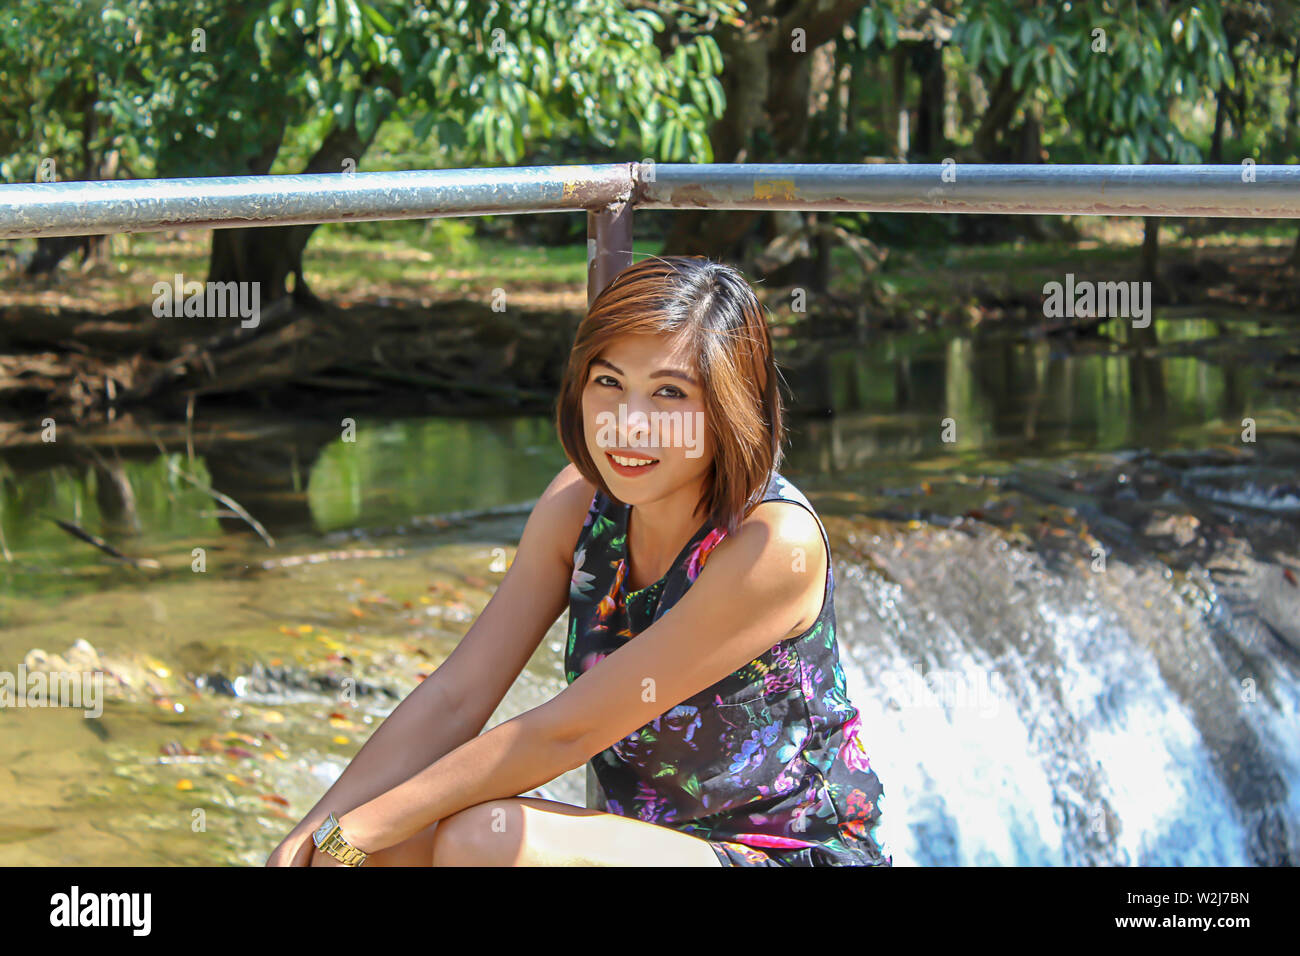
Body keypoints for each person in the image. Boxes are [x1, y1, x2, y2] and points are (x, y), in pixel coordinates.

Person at [267, 255, 890, 867]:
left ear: (729, 407)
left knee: (477, 838)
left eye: (669, 393)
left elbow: (566, 732)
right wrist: (315, 832)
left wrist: (350, 835)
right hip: (653, 846)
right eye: (609, 382)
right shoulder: (579, 504)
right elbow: (458, 697)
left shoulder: (771, 544)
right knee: (393, 844)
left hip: (790, 856)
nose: (629, 424)